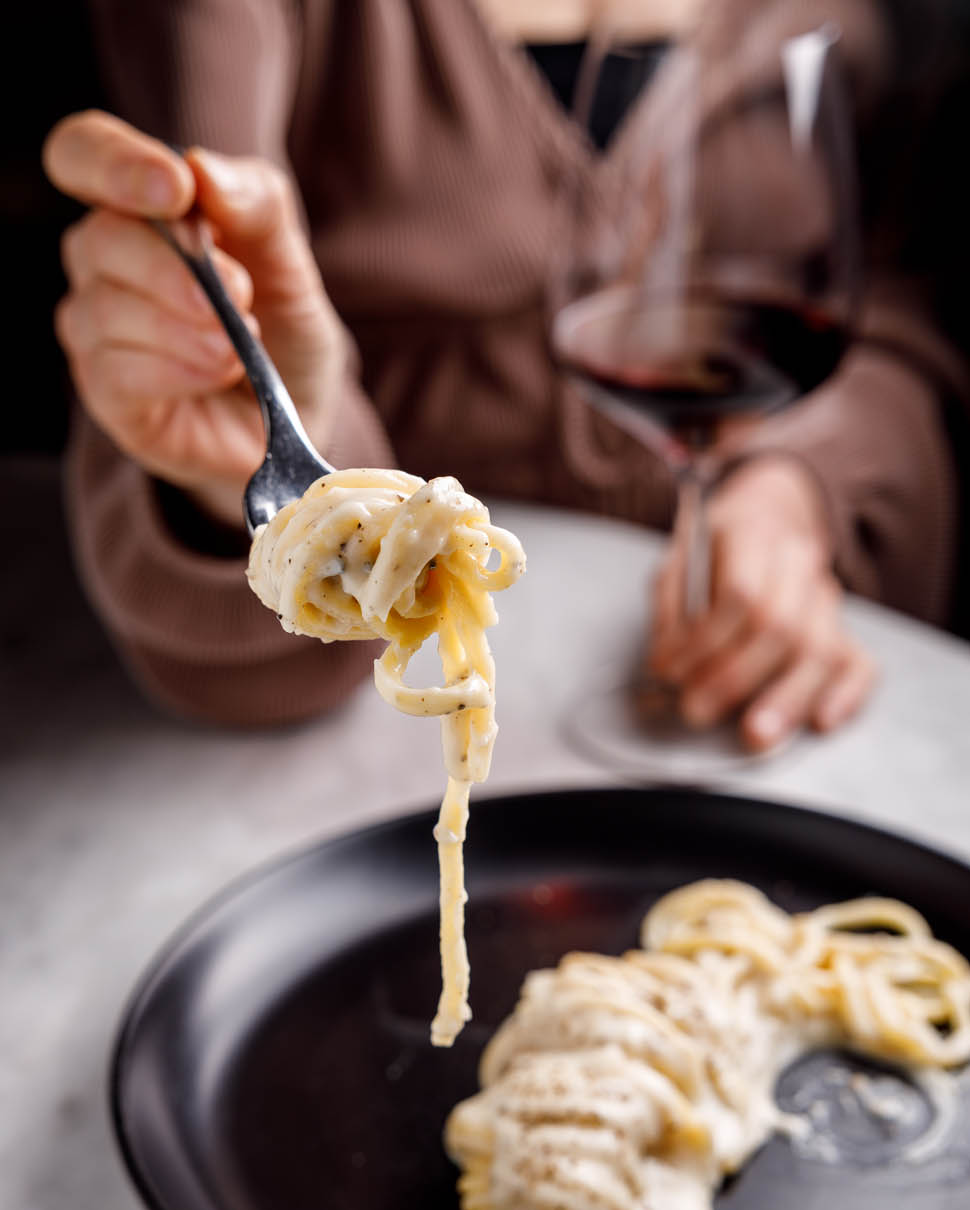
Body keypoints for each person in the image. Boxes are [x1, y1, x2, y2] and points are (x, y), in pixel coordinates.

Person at [42, 0, 968, 743]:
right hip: (376, 726)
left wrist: (801, 489)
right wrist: (262, 455)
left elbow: (904, 290)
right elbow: (254, 678)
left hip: (785, 701)